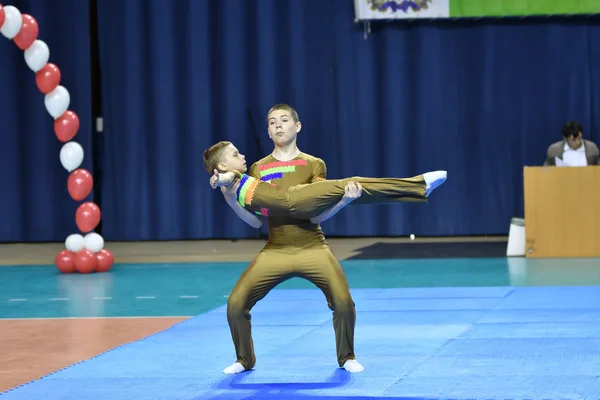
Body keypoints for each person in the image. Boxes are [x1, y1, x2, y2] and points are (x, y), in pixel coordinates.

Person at [204, 141, 446, 219]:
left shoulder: (242, 188)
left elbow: (257, 220)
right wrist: (221, 181)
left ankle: (415, 191)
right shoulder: (234, 179)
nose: (243, 155)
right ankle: (417, 185)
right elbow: (227, 178)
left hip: (299, 203)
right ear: (223, 165)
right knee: (352, 181)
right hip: (295, 200)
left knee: (355, 191)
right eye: (236, 154)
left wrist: (227, 191)